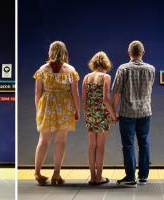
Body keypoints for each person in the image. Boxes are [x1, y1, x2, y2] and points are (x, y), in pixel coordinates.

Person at [33, 41, 80, 186]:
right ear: (65, 52)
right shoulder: (71, 70)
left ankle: (37, 172)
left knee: (43, 140)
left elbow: (37, 93)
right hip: (65, 106)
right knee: (61, 141)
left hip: (47, 106)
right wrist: (77, 110)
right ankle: (56, 174)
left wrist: (38, 109)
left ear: (50, 52)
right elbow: (75, 94)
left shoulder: (42, 69)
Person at [112, 40, 155, 187]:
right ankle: (143, 176)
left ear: (129, 53)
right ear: (142, 53)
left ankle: (130, 177)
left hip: (127, 113)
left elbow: (117, 93)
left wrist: (113, 112)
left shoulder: (123, 69)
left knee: (128, 145)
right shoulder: (151, 69)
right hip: (145, 112)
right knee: (144, 143)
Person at [82, 51, 117, 185]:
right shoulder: (105, 77)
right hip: (102, 113)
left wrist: (88, 113)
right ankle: (99, 177)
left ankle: (92, 176)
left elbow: (84, 101)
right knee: (100, 146)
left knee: (91, 145)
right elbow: (105, 99)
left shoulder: (86, 77)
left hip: (90, 113)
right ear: (106, 63)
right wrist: (113, 115)